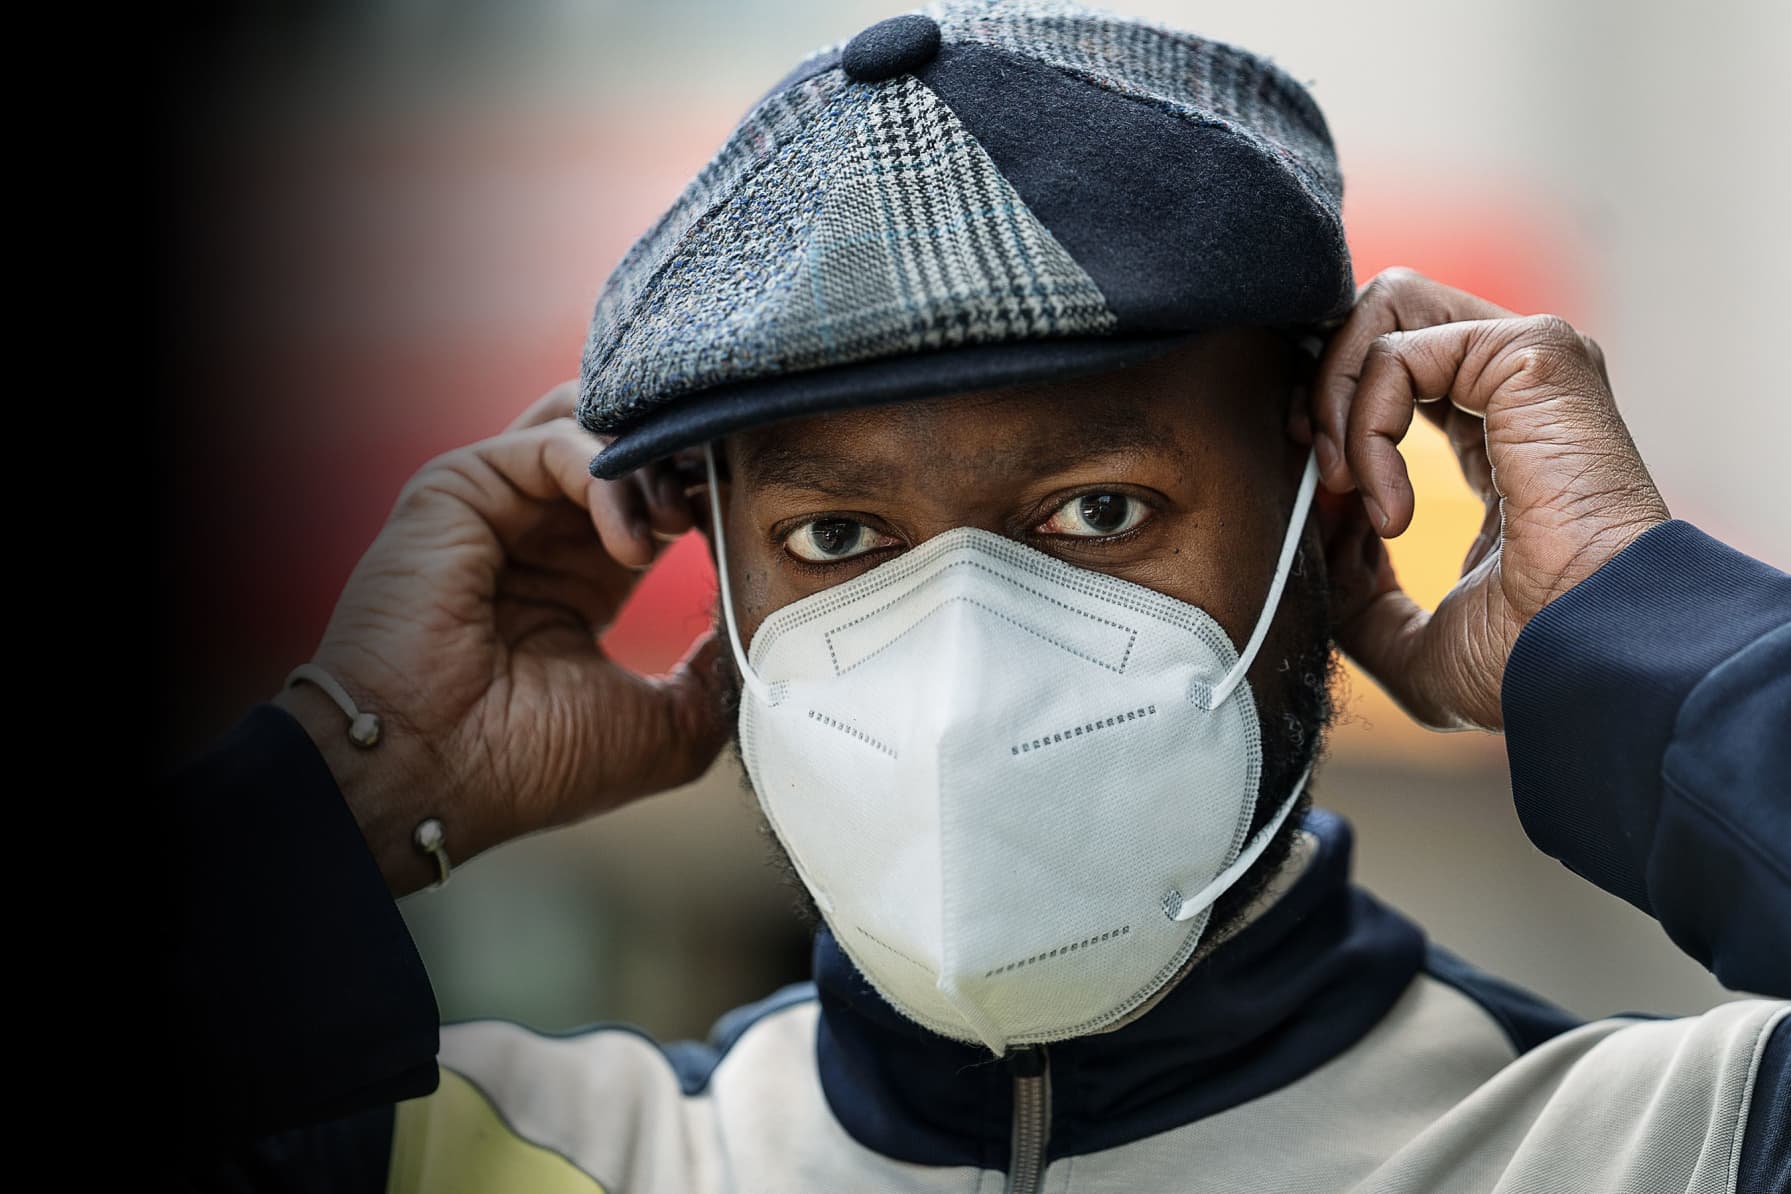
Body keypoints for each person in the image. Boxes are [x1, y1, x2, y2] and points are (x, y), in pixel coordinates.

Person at [164, 2, 1788, 1190]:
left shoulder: (1674, 1147)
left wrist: (1635, 645)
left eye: (1097, 507)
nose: (959, 673)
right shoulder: (489, 1159)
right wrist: (351, 776)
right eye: (839, 539)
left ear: (1335, 518)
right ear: (717, 585)